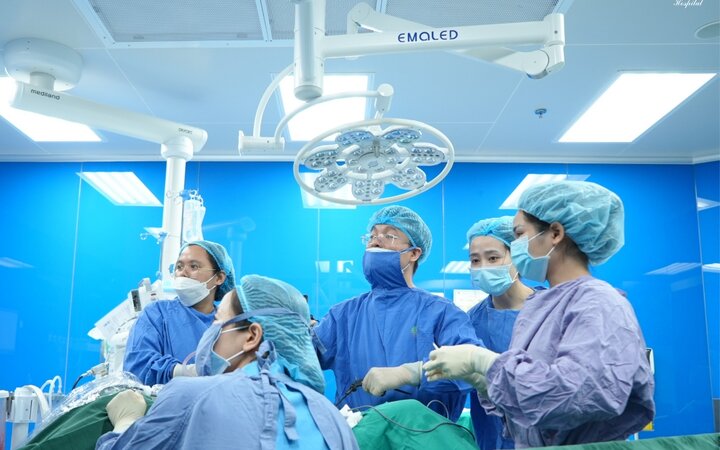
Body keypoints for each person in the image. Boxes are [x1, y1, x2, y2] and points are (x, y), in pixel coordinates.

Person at [424, 180, 655, 447]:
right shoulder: (541, 307)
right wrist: (484, 381)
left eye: (519, 234)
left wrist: (484, 362)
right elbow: (528, 407)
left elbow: (579, 395)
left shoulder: (598, 303)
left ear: (555, 233)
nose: (516, 245)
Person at [96, 275, 359, 450]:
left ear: (252, 336)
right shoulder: (333, 420)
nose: (209, 333)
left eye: (217, 321)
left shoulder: (190, 397)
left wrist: (125, 422)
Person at [313, 205, 482, 422]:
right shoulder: (343, 316)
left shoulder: (441, 313)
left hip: (425, 436)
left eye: (389, 235)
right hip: (361, 435)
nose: (375, 241)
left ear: (414, 253)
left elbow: (473, 368)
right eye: (372, 236)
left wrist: (411, 374)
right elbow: (302, 359)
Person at [123, 240, 235, 385]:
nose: (183, 273)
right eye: (179, 267)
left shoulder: (228, 325)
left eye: (194, 266)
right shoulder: (156, 314)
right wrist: (186, 372)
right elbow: (136, 367)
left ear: (219, 278)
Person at [465, 216, 534, 450]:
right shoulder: (470, 321)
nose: (483, 266)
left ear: (517, 256)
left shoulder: (548, 310)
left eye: (493, 258)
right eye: (475, 260)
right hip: (490, 440)